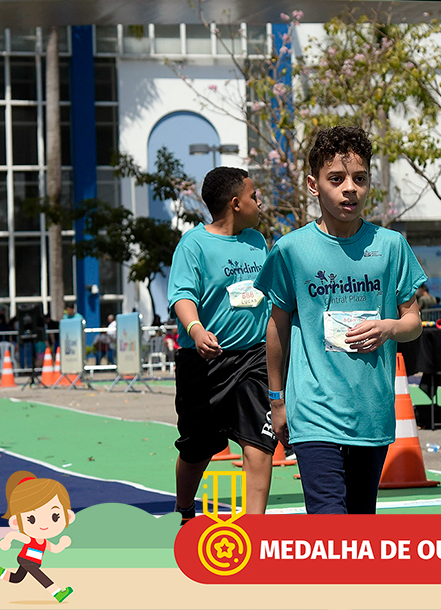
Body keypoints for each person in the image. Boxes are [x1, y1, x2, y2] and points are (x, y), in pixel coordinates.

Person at [256, 126, 426, 515]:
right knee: (329, 518)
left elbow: (413, 321)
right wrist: (277, 401)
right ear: (313, 185)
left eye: (360, 178)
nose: (350, 189)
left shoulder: (391, 246)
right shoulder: (291, 250)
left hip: (372, 412)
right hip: (313, 409)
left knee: (359, 522)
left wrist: (388, 328)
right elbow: (277, 329)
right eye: (336, 179)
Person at [168, 167, 277, 524]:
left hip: (255, 358)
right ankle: (185, 510)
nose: (259, 202)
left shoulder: (257, 241)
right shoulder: (193, 244)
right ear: (235, 203)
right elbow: (182, 296)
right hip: (204, 364)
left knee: (260, 442)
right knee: (197, 448)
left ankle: (255, 529)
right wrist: (197, 330)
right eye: (254, 196)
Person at [0, 470, 74, 602]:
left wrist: (62, 544)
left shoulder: (44, 542)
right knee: (41, 577)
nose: (44, 525)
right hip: (26, 560)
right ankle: (57, 593)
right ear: (16, 522)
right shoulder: (30, 538)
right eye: (31, 519)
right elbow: (14, 536)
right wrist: (7, 541)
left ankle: (0, 572)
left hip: (35, 561)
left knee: (17, 578)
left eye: (55, 517)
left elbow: (55, 549)